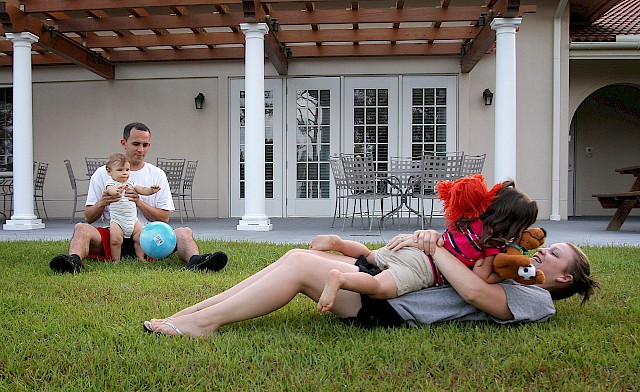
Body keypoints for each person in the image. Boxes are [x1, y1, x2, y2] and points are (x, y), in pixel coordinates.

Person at [143, 230, 599, 337]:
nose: (541, 252)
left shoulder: (538, 299)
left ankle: (205, 323)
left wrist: (436, 246)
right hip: (390, 286)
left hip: (395, 310)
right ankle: (196, 312)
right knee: (298, 256)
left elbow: (478, 295)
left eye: (554, 254)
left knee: (301, 266)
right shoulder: (511, 263)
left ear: (563, 277)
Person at [311, 177, 537, 312]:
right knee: (379, 287)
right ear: (513, 225)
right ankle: (340, 278)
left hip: (412, 246)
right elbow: (481, 276)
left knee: (369, 255)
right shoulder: (492, 242)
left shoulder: (469, 220)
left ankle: (338, 243)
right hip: (424, 266)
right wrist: (500, 274)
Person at [50, 122, 227, 273]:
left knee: (184, 232)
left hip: (148, 237)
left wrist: (139, 202)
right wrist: (103, 202)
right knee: (81, 228)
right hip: (113, 235)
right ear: (123, 143)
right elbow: (88, 217)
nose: (140, 150)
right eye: (136, 144)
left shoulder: (156, 174)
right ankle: (73, 262)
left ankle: (196, 262)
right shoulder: (102, 173)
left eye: (145, 144)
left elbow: (164, 218)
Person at [104, 152, 160, 262]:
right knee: (115, 240)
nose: (125, 173)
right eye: (120, 170)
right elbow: (109, 190)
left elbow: (142, 190)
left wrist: (151, 190)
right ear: (109, 171)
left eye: (127, 170)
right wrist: (115, 191)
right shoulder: (111, 183)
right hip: (117, 221)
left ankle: (141, 258)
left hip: (133, 220)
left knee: (140, 238)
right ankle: (116, 260)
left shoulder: (131, 183)